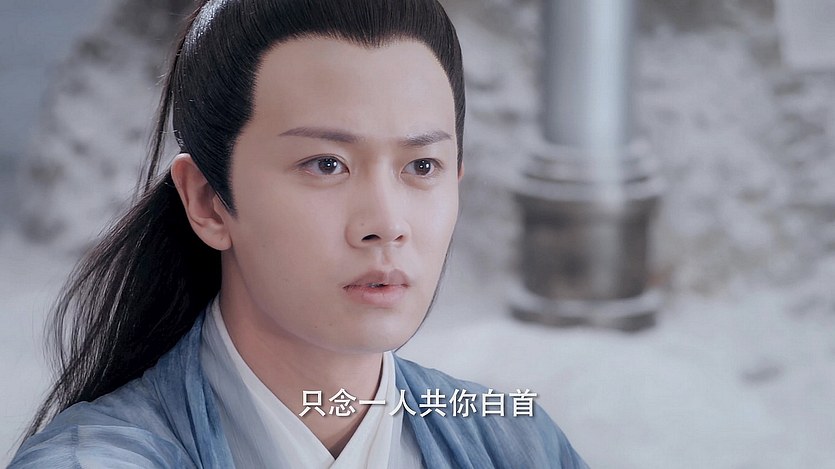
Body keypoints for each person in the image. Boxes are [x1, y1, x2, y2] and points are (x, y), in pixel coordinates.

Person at [10, 0, 588, 467]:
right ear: (208, 202)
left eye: (421, 166)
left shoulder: (516, 443)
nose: (386, 224)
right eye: (325, 164)